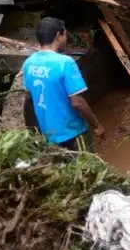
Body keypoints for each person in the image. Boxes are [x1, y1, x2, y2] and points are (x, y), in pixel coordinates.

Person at [22, 17, 105, 152]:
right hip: (72, 132)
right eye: (65, 34)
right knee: (86, 169)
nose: (66, 38)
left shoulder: (29, 63)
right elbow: (77, 103)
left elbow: (29, 99)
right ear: (58, 36)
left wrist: (33, 132)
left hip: (48, 135)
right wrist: (96, 125)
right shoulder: (65, 63)